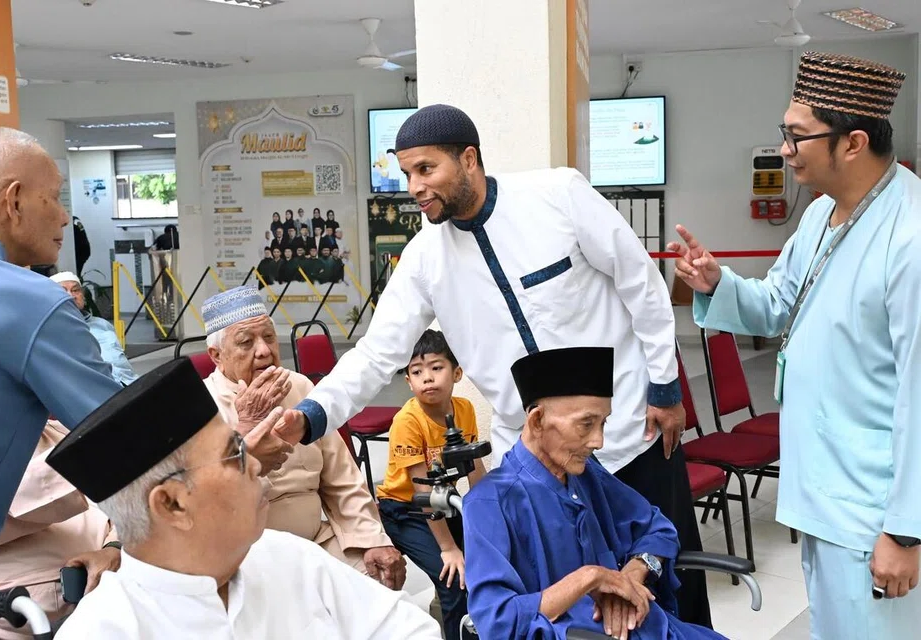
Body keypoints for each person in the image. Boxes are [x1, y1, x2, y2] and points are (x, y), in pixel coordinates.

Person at [277, 104, 712, 625]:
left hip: (626, 432)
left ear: (469, 158)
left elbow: (640, 283)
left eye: (426, 169)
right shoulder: (424, 260)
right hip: (537, 466)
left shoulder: (558, 196)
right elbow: (377, 353)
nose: (414, 187)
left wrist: (664, 387)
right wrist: (311, 414)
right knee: (566, 608)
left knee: (666, 583)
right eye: (406, 173)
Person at [670, 52, 919, 639]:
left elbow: (918, 393)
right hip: (822, 486)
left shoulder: (908, 236)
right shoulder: (822, 215)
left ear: (852, 142)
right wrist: (716, 283)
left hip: (872, 509)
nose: (784, 148)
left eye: (797, 135)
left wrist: (905, 530)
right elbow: (780, 302)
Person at [47, 358, 442, 639]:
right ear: (172, 504)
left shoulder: (287, 557)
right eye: (235, 454)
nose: (255, 465)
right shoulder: (107, 629)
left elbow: (409, 627)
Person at [0, 126, 122, 637]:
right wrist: (239, 445)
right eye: (52, 198)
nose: (63, 216)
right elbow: (129, 433)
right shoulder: (28, 300)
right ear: (13, 201)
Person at [463, 347, 724, 640]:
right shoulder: (489, 503)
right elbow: (497, 622)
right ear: (537, 421)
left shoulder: (585, 475)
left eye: (603, 424)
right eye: (586, 424)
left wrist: (629, 577)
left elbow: (657, 527)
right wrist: (591, 577)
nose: (598, 441)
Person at [200, 287, 406, 589]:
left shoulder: (300, 387)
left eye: (269, 337)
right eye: (246, 342)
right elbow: (209, 505)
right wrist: (246, 430)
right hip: (247, 558)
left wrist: (371, 539)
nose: (264, 351)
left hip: (317, 543)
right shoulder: (201, 409)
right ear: (216, 356)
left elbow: (343, 479)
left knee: (380, 589)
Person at [376, 330, 486, 640]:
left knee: (485, 565)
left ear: (457, 372)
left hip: (445, 502)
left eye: (436, 367)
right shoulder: (408, 421)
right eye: (417, 371)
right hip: (405, 509)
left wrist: (488, 519)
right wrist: (449, 548)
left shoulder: (464, 409)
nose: (427, 377)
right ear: (408, 381)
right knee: (454, 581)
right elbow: (422, 492)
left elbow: (474, 467)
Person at [0, 420, 120, 639]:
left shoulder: (54, 425)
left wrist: (114, 548)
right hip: (30, 619)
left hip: (121, 585)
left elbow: (127, 505)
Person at [50, 271, 139, 386]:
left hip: (131, 387)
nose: (71, 295)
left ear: (83, 296)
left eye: (75, 290)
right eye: (63, 291)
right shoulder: (52, 332)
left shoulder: (102, 325)